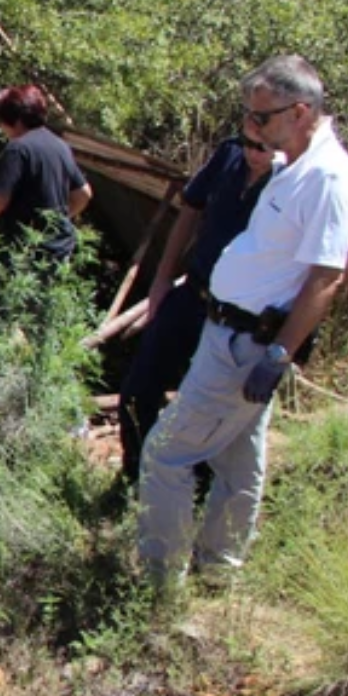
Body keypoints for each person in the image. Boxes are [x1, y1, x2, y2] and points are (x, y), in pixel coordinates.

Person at [138, 55, 348, 585]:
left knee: (166, 455)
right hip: (228, 330)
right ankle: (219, 568)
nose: (251, 129)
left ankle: (158, 580)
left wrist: (280, 353)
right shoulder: (293, 163)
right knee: (238, 462)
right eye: (247, 116)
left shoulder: (330, 178)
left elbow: (328, 276)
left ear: (302, 111)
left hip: (249, 342)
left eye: (261, 118)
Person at [117, 135, 279, 483]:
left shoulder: (295, 179)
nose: (253, 151)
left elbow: (344, 259)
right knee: (137, 390)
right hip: (193, 294)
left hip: (240, 319)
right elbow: (190, 207)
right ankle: (136, 478)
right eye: (249, 142)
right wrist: (161, 279)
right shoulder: (230, 154)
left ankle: (196, 488)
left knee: (211, 409)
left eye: (261, 145)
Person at [0, 84, 92, 341]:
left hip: (29, 249)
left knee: (0, 295)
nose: (1, 129)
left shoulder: (18, 149)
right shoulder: (58, 145)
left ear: (15, 120)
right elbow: (84, 193)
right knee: (19, 301)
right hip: (58, 244)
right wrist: (59, 218)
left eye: (1, 122)